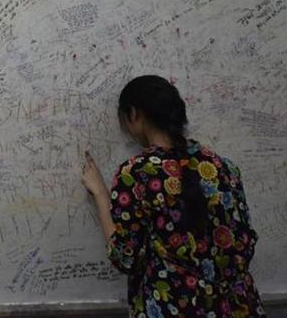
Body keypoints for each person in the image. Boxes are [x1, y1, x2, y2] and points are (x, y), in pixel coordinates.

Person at [81, 75, 266, 318]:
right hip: (238, 307)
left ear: (133, 114)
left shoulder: (136, 174)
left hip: (175, 307)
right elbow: (243, 241)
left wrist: (101, 194)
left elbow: (125, 258)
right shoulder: (223, 167)